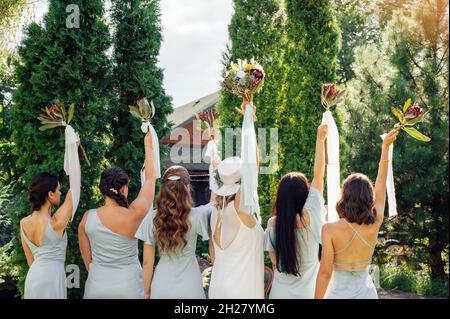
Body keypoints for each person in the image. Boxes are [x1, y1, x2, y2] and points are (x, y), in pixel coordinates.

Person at [314, 129, 399, 299]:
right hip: (367, 294)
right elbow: (381, 183)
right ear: (369, 197)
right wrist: (385, 148)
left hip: (338, 294)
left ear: (344, 196)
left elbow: (325, 272)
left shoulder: (329, 230)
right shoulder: (375, 222)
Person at [78, 131, 155, 299]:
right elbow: (151, 180)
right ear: (123, 188)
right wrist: (149, 146)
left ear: (102, 189)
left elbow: (87, 259)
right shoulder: (134, 215)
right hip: (129, 287)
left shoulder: (87, 218)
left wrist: (98, 274)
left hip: (96, 287)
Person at [264, 123, 327, 298]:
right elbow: (318, 175)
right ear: (304, 194)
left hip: (279, 294)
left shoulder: (272, 224)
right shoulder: (310, 216)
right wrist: (320, 140)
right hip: (308, 294)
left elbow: (275, 264)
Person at [136, 166, 214, 299]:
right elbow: (214, 203)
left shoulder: (152, 218)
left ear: (164, 188)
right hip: (190, 286)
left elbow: (148, 262)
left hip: (162, 285)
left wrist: (146, 291)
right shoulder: (197, 215)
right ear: (188, 188)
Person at [20, 172, 74, 299]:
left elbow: (30, 262)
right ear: (50, 194)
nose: (60, 193)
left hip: (33, 277)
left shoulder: (23, 223)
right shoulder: (55, 223)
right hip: (52, 278)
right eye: (59, 190)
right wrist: (73, 155)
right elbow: (74, 191)